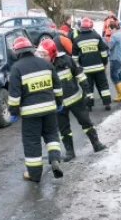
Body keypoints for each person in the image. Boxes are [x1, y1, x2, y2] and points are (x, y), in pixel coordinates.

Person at [8, 36, 65, 182]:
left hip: (30, 113)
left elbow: (14, 95)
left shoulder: (16, 68)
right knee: (52, 135)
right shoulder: (45, 64)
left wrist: (13, 112)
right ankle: (54, 158)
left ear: (16, 52)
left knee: (32, 142)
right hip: (50, 109)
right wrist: (58, 103)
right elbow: (57, 86)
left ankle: (34, 174)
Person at [39, 37, 107, 160]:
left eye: (44, 54)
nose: (42, 57)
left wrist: (88, 92)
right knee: (64, 129)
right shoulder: (41, 67)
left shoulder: (66, 60)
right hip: (58, 105)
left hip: (76, 100)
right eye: (41, 54)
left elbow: (80, 75)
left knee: (86, 122)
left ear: (52, 53)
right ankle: (70, 152)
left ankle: (96, 143)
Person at [74, 18, 112, 111]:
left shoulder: (77, 39)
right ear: (91, 27)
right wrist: (105, 63)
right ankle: (107, 103)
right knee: (103, 86)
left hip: (86, 69)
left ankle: (89, 106)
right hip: (99, 67)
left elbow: (74, 58)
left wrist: (78, 66)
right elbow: (103, 52)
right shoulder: (96, 36)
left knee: (88, 87)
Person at [108, 19, 121, 102]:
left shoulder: (114, 36)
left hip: (116, 58)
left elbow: (109, 46)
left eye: (110, 29)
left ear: (113, 28)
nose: (110, 31)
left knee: (114, 76)